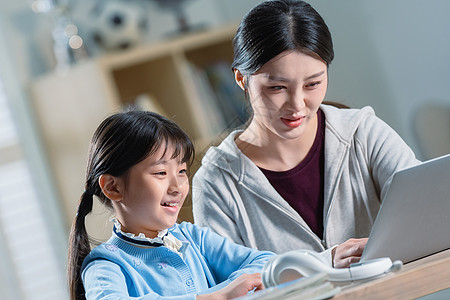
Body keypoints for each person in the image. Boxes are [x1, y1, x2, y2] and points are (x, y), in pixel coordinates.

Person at [192, 0, 420, 268]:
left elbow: (424, 212)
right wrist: (325, 262)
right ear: (242, 79)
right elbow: (235, 285)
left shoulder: (364, 134)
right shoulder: (217, 184)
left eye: (313, 84)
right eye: (277, 88)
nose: (297, 104)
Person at [67, 110, 274, 300]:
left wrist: (228, 290)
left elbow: (266, 262)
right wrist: (217, 296)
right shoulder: (106, 264)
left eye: (182, 171)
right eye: (161, 173)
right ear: (113, 187)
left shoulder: (193, 238)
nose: (178, 187)